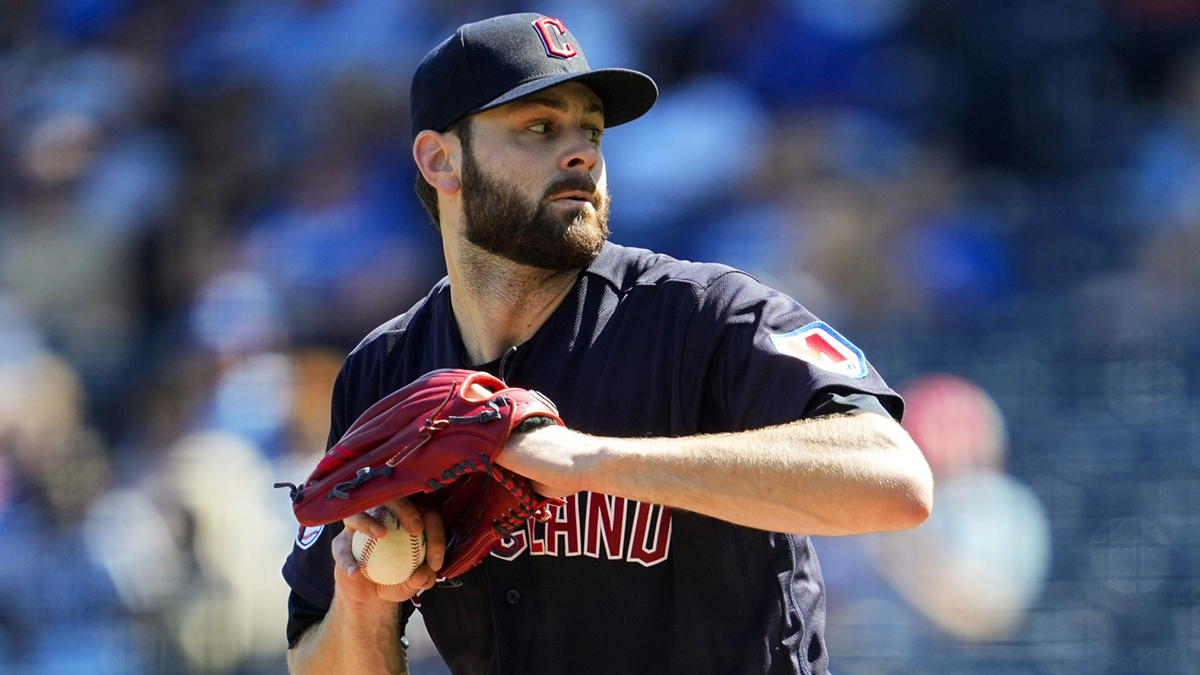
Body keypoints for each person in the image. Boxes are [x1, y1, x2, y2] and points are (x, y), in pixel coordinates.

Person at [282, 13, 933, 675]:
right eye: (540, 126)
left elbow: (896, 477)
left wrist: (589, 460)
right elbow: (310, 658)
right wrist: (362, 602)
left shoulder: (702, 315)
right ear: (440, 159)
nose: (582, 152)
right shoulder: (385, 373)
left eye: (590, 130)